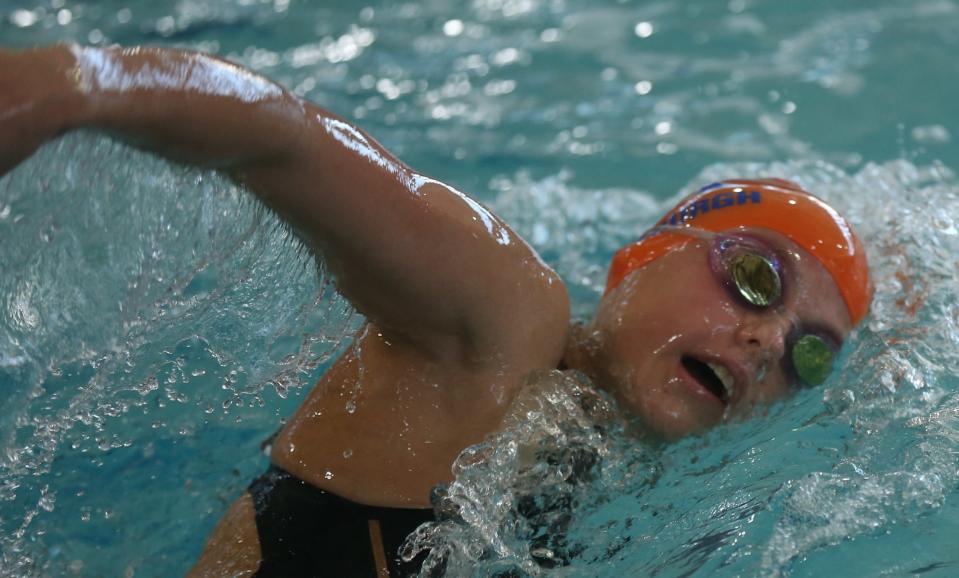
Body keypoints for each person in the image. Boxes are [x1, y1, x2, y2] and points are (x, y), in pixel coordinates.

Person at [0, 45, 871, 577]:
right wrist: (70, 84)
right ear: (638, 261)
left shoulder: (669, 500)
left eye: (810, 357)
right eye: (752, 278)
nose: (767, 341)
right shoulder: (498, 327)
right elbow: (282, 135)